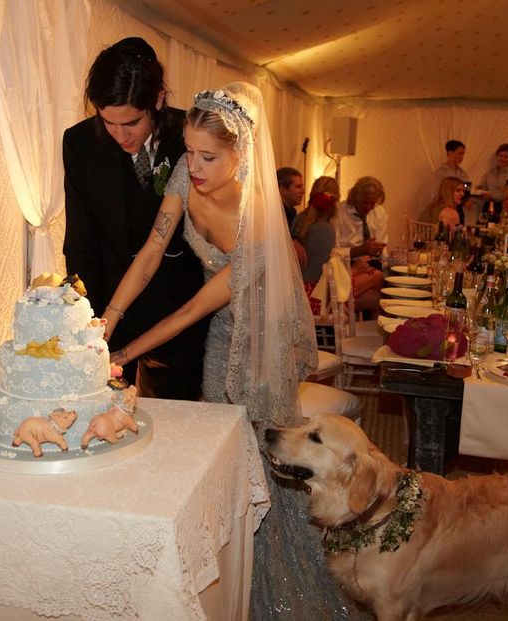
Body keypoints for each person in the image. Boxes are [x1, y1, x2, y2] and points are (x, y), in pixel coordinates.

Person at [103, 82, 362, 618]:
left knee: (264, 458)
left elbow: (192, 309)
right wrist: (107, 318)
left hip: (262, 348)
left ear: (241, 154)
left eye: (208, 156)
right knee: (224, 456)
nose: (193, 166)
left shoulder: (259, 222)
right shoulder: (185, 173)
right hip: (224, 333)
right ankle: (232, 575)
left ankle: (276, 589)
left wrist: (122, 355)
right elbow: (152, 249)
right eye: (190, 151)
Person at [62, 37, 207, 399]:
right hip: (109, 302)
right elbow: (81, 241)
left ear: (157, 99)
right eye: (107, 121)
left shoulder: (190, 136)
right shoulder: (80, 143)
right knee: (101, 415)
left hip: (178, 309)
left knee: (175, 420)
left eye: (131, 122)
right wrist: (90, 320)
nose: (119, 135)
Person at [334, 176, 387, 313]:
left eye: (372, 203)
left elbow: (383, 243)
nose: (369, 208)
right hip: (347, 263)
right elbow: (334, 251)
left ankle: (365, 321)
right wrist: (360, 250)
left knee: (390, 282)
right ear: (355, 196)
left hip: (372, 261)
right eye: (365, 203)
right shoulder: (339, 212)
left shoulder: (379, 212)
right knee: (380, 289)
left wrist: (378, 250)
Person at [291, 176, 339, 314]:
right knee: (373, 281)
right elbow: (323, 274)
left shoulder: (299, 218)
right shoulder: (324, 228)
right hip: (313, 296)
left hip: (296, 290)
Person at [479, 143, 508, 219]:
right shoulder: (490, 173)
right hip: (488, 206)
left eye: (506, 157)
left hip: (504, 207)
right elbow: (483, 188)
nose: (502, 159)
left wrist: (492, 196)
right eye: (500, 156)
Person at [277, 167, 307, 264]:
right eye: (298, 187)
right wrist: (291, 240)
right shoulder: (275, 215)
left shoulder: (292, 213)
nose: (303, 191)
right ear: (283, 190)